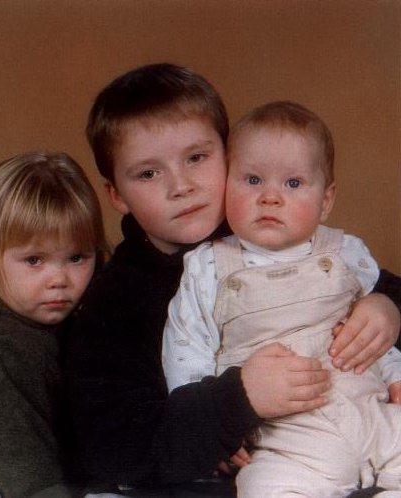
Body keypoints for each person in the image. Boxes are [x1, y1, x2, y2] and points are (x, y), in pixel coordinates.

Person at [63, 63, 401, 495]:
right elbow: (115, 450)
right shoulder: (112, 304)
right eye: (148, 173)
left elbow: (367, 278)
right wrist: (236, 401)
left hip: (362, 429)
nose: (180, 186)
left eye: (197, 158)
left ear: (231, 152)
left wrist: (387, 307)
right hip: (253, 474)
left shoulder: (273, 231)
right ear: (116, 194)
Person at [162, 101, 401, 496]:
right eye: (252, 180)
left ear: (326, 200)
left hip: (372, 414)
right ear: (226, 184)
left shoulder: (347, 253)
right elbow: (187, 350)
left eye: (292, 184)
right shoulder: (210, 267)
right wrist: (215, 429)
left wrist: (396, 374)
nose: (270, 197)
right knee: (263, 487)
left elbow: (370, 334)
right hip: (289, 440)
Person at [0, 152, 108, 497]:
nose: (60, 279)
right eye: (34, 260)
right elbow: (31, 483)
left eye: (77, 257)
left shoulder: (86, 314)